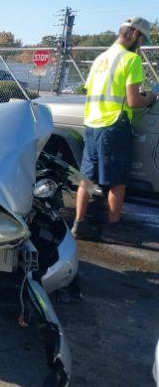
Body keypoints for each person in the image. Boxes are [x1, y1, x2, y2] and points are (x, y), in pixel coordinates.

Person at [72, 17, 157, 241]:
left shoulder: (100, 58)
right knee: (117, 180)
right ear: (136, 34)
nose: (141, 44)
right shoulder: (131, 60)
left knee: (87, 178)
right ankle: (113, 227)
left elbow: (94, 90)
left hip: (91, 124)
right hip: (114, 126)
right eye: (142, 39)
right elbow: (133, 101)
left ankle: (79, 224)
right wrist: (150, 97)